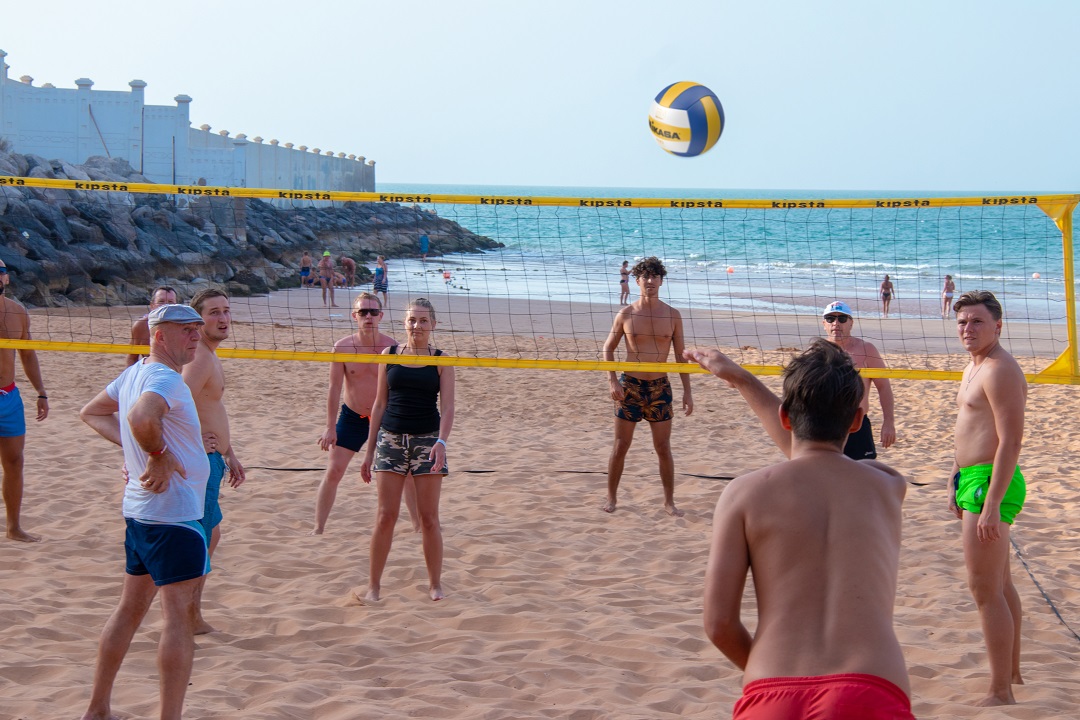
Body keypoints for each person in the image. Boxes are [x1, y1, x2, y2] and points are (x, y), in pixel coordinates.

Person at [686, 340, 914, 720]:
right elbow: (821, 461)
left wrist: (743, 380)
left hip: (772, 687)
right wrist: (744, 381)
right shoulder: (888, 485)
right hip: (871, 686)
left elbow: (719, 624)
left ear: (785, 416)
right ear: (857, 421)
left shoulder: (742, 493)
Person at [78, 303, 212, 720]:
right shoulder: (164, 377)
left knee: (129, 610)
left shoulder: (133, 373)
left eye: (197, 329)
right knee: (177, 619)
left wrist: (138, 449)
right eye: (186, 330)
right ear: (159, 335)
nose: (196, 336)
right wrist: (156, 453)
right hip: (173, 517)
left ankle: (98, 709)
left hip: (141, 515)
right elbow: (138, 417)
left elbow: (93, 412)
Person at [949, 290, 1027, 706]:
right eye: (962, 322)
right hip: (974, 479)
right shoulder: (973, 367)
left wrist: (991, 503)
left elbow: (1011, 441)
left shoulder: (999, 370)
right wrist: (956, 477)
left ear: (998, 325)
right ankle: (1012, 673)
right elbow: (974, 430)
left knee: (984, 589)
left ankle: (1000, 692)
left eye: (977, 321)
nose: (968, 329)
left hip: (990, 482)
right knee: (1001, 583)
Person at [360, 298, 455, 601]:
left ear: (433, 325)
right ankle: (374, 587)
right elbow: (379, 403)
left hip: (427, 441)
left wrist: (441, 442)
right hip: (391, 439)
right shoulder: (389, 355)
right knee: (386, 516)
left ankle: (435, 584)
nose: (417, 326)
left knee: (429, 518)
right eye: (412, 320)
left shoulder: (441, 359)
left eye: (423, 321)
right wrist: (369, 449)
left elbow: (449, 408)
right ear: (404, 322)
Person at [312, 292, 416, 535]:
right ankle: (318, 528)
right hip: (353, 416)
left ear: (381, 315)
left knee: (408, 473)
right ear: (355, 316)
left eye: (373, 312)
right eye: (363, 312)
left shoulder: (393, 347)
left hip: (386, 417)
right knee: (335, 470)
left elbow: (401, 387)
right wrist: (329, 426)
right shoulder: (342, 347)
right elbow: (334, 388)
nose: (368, 317)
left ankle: (418, 527)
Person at [602, 256, 693, 517]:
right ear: (637, 280)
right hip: (629, 385)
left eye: (655, 276)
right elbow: (608, 348)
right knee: (620, 445)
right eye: (645, 277)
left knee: (663, 448)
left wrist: (687, 391)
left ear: (662, 281)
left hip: (659, 388)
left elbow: (680, 356)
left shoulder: (673, 315)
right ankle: (611, 497)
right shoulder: (626, 313)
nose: (650, 281)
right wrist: (611, 380)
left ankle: (669, 502)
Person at [182, 289, 246, 634]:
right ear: (198, 320)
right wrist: (194, 442)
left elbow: (211, 410)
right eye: (213, 313)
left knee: (212, 534)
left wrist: (229, 451)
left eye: (226, 311)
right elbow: (175, 403)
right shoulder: (201, 358)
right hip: (201, 461)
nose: (222, 319)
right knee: (200, 540)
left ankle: (190, 611)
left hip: (213, 457)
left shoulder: (209, 354)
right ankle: (189, 616)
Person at [0, 259, 49, 542]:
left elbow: (28, 354)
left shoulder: (18, 312)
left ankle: (13, 528)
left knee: (15, 462)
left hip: (9, 397)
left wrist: (41, 392)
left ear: (7, 278)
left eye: (1, 271)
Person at [821, 301, 896, 460]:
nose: (836, 323)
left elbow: (884, 387)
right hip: (824, 426)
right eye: (830, 319)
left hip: (857, 425)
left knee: (862, 478)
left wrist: (888, 422)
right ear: (824, 324)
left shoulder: (866, 350)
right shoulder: (817, 351)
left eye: (842, 319)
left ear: (851, 323)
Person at [126, 286, 179, 366]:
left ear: (177, 306)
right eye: (161, 302)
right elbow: (132, 358)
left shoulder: (186, 326)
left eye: (170, 302)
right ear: (152, 305)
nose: (166, 306)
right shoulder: (141, 325)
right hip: (150, 372)